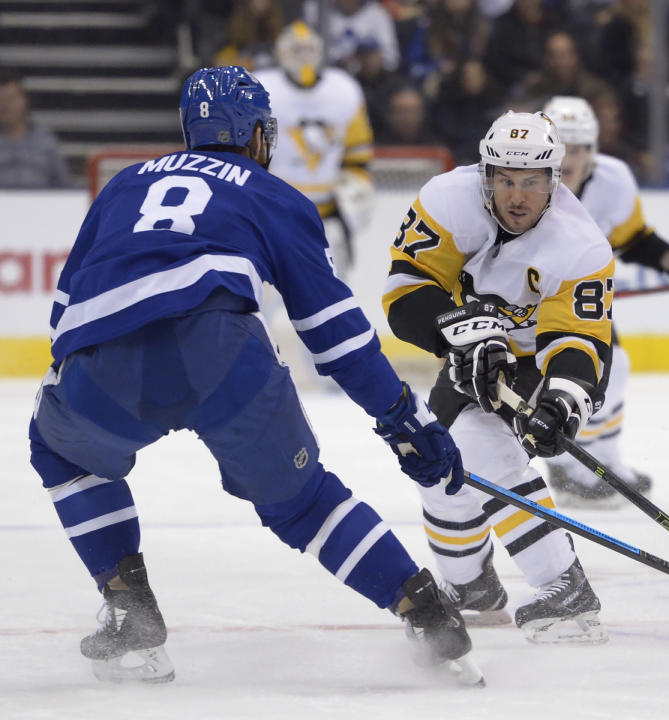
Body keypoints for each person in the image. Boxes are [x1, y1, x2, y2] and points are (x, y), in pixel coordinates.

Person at [27, 66, 482, 687]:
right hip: (221, 352)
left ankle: (131, 612)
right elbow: (333, 331)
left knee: (59, 450)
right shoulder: (277, 196)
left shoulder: (123, 184)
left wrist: (75, 386)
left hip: (105, 355)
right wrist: (401, 415)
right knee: (303, 502)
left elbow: (64, 307)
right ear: (252, 133)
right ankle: (428, 613)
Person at [382, 110, 610, 642]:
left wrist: (561, 403)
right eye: (504, 179)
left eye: (531, 181)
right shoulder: (446, 199)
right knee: (435, 463)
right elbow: (405, 291)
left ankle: (565, 586)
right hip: (469, 351)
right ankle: (470, 586)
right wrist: (460, 336)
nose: (517, 195)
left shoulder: (580, 244)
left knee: (483, 446)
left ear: (554, 180)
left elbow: (579, 342)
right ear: (485, 174)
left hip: (536, 360)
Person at [541, 96, 669, 506]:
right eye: (563, 150)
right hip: (526, 304)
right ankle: (569, 465)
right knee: (589, 370)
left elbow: (635, 241)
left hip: (575, 300)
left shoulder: (613, 180)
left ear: (593, 151)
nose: (571, 160)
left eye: (579, 149)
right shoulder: (527, 186)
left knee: (615, 364)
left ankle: (603, 461)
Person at [256, 21, 375, 274]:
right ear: (281, 52)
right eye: (296, 51)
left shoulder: (344, 89)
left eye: (309, 49)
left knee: (334, 298)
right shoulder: (261, 89)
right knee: (264, 299)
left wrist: (356, 188)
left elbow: (358, 153)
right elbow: (247, 154)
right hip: (275, 212)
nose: (304, 57)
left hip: (328, 215)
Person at [0, 71, 73, 189]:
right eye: (1, 100)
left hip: (42, 204)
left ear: (24, 100)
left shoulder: (45, 140)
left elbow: (64, 184)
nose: (6, 105)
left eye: (11, 98)